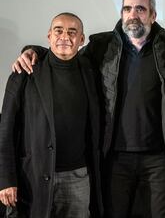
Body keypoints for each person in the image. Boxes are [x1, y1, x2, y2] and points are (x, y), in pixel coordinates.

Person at [12, 0, 165, 218]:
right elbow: (64, 54)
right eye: (127, 8)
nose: (133, 14)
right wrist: (33, 52)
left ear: (153, 15)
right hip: (115, 157)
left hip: (158, 157)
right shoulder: (102, 45)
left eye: (140, 9)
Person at [0, 13, 103, 217]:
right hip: (33, 176)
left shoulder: (91, 72)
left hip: (78, 178)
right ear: (49, 36)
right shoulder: (25, 72)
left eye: (72, 32)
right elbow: (6, 130)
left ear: (81, 40)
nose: (64, 36)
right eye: (58, 30)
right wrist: (6, 179)